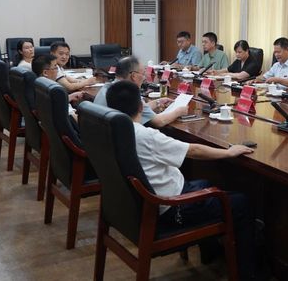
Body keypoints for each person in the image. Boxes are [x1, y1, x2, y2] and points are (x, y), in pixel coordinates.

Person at [106, 80, 257, 280]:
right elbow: (193, 151)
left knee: (204, 183)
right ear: (141, 106)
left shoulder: (110, 128)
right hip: (170, 208)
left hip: (137, 206)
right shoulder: (144, 135)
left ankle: (211, 253)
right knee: (241, 203)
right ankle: (249, 274)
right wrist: (228, 153)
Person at [93, 56, 187, 127]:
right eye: (143, 74)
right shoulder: (127, 93)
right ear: (133, 76)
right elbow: (159, 121)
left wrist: (157, 102)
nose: (145, 78)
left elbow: (134, 109)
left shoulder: (108, 88)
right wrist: (179, 111)